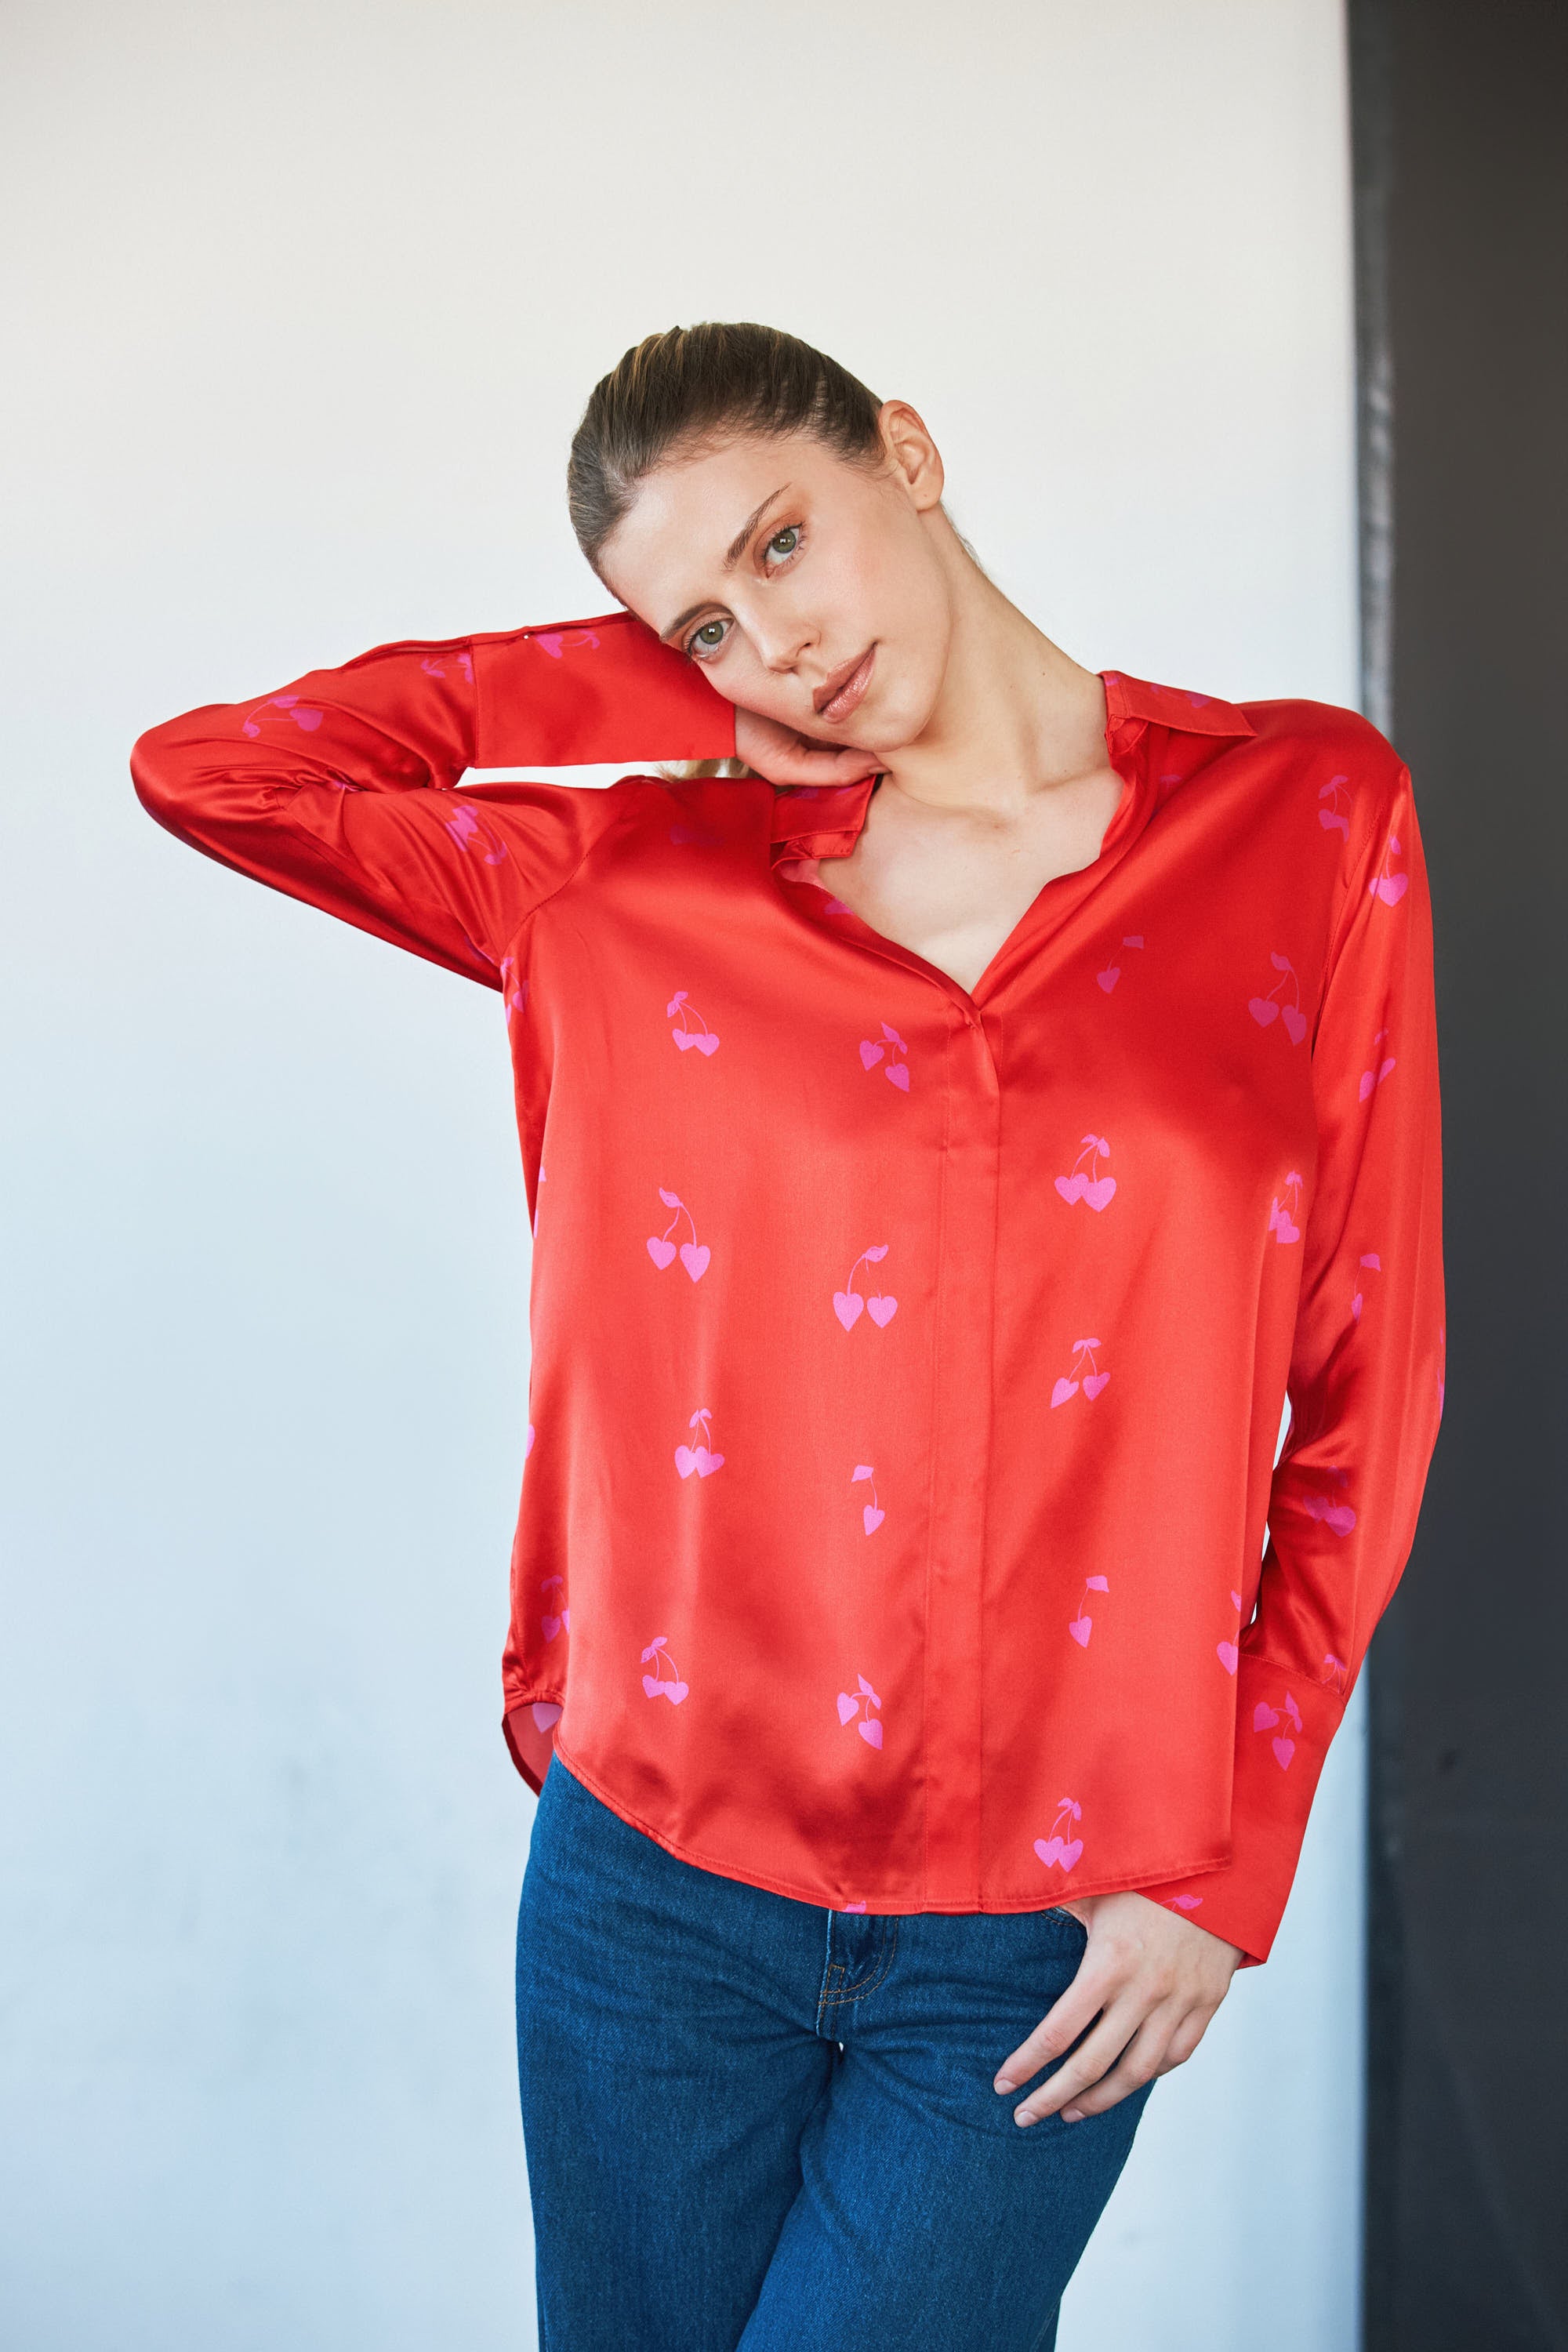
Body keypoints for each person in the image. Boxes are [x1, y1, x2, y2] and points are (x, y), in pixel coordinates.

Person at [130, 321, 1446, 2349]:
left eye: (783, 542)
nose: (775, 640)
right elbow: (211, 771)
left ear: (906, 452)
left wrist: (1227, 1861)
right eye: (706, 626)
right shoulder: (628, 877)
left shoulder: (1304, 813)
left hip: (1045, 1930)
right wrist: (654, 679)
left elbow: (1371, 1374)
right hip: (653, 1886)